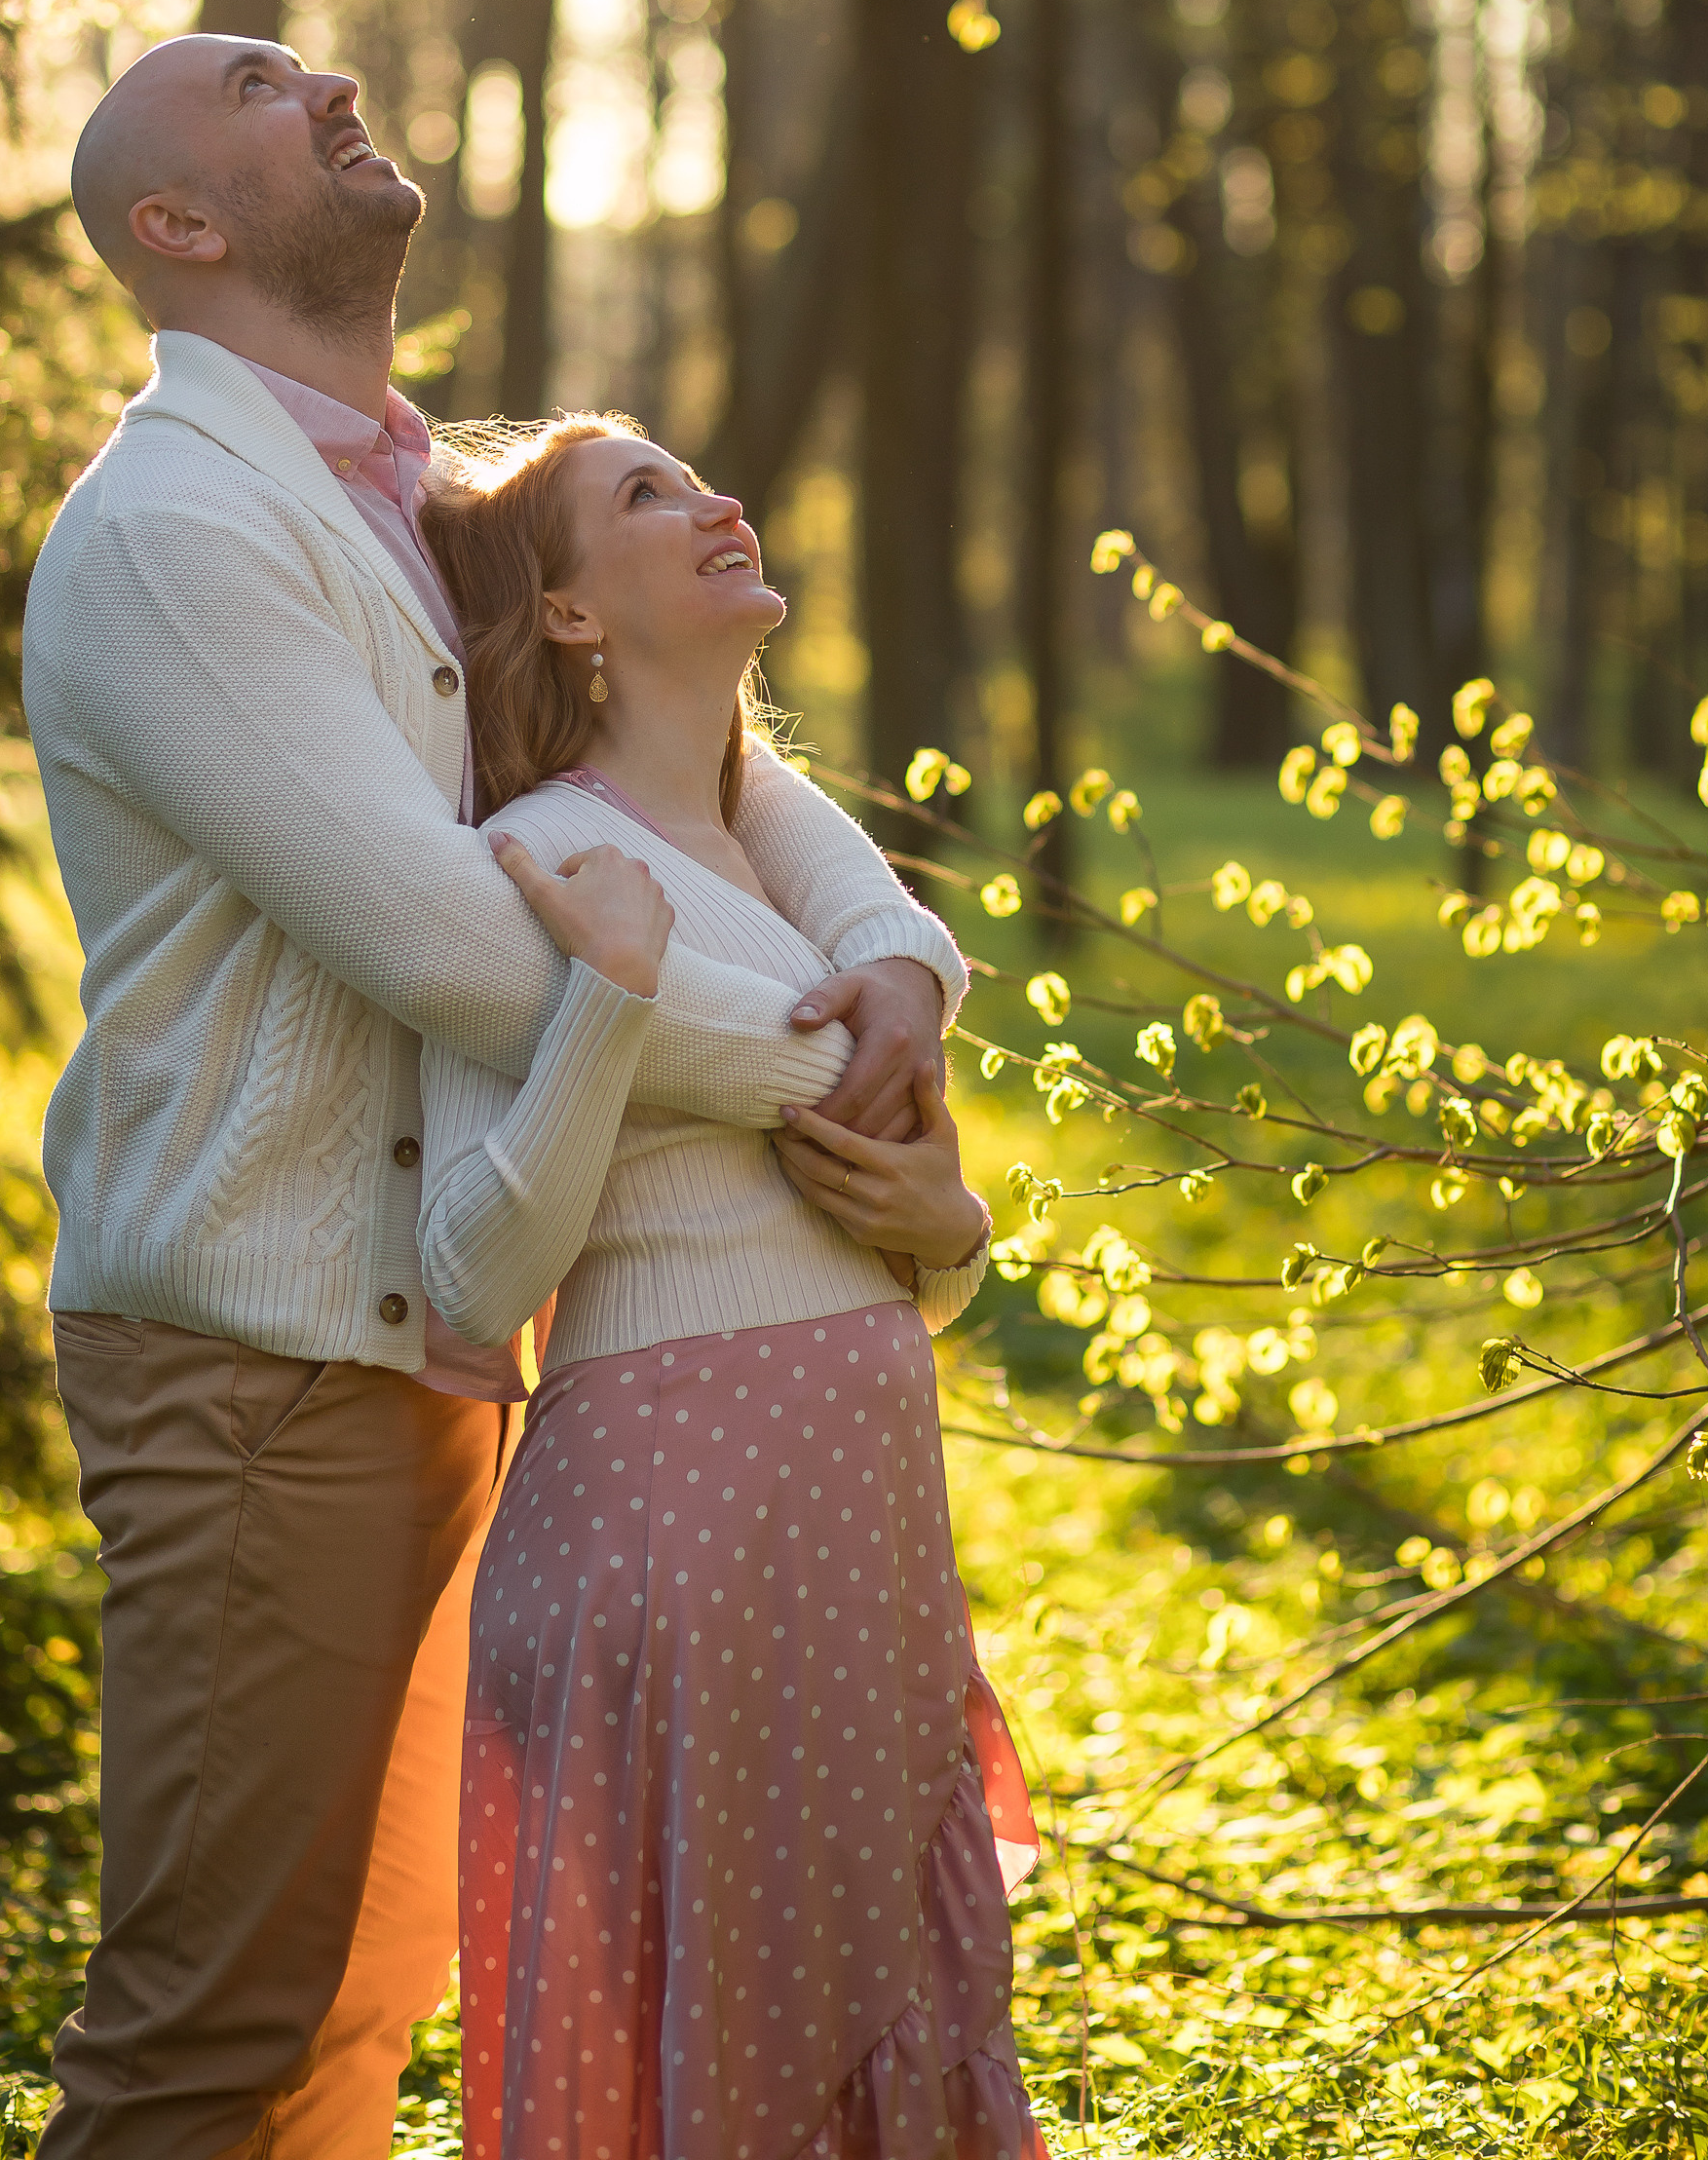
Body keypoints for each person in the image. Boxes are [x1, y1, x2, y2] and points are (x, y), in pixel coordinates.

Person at [23, 35, 969, 2160]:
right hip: (262, 1364)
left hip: (444, 1345)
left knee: (356, 2018)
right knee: (213, 2022)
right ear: (179, 227)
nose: (329, 74)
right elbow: (456, 943)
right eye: (262, 85)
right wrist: (842, 1078)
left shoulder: (396, 485)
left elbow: (720, 763)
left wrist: (900, 964)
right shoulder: (180, 526)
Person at [415, 415, 1045, 2160]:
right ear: (564, 616)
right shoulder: (538, 859)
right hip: (675, 1532)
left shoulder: (795, 859)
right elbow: (475, 1265)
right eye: (647, 496)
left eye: (698, 478)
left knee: (865, 2008)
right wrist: (608, 1002)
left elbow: (895, 1255)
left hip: (850, 1517)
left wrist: (950, 1223)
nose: (718, 504)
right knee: (732, 2053)